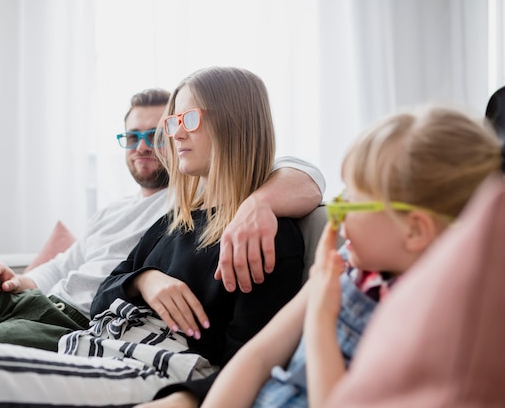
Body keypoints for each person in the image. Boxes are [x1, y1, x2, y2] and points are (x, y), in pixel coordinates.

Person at [0, 66, 307, 407]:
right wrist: (145, 279)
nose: (172, 134)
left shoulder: (260, 232)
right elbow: (106, 287)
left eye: (185, 119)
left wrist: (258, 204)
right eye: (173, 121)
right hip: (92, 335)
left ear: (235, 123)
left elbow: (246, 359)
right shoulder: (175, 219)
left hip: (133, 355)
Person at [201, 105, 503, 408]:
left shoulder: (435, 323)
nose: (336, 215)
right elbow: (258, 356)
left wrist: (321, 315)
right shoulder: (346, 263)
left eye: (351, 202)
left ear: (414, 231)